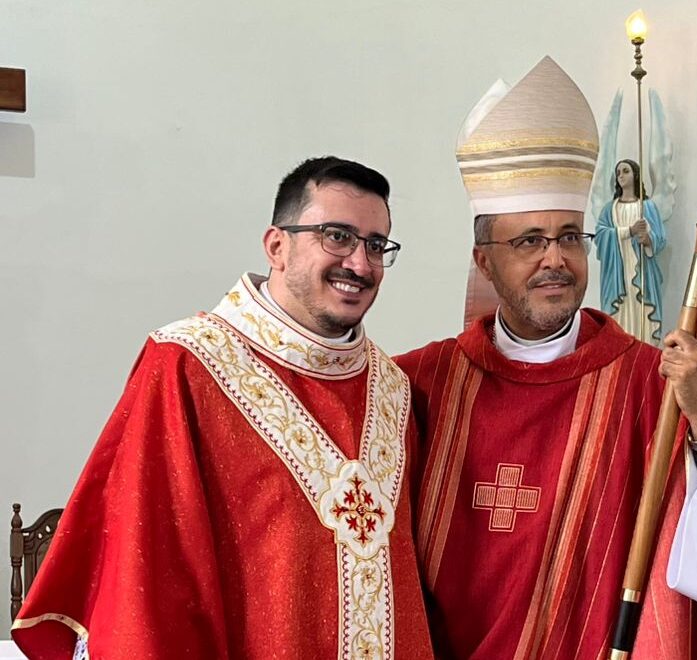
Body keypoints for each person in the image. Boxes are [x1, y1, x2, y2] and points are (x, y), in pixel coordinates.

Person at [395, 57, 697, 659]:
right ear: (484, 261)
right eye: (529, 241)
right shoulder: (418, 383)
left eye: (570, 236)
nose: (556, 258)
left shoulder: (646, 383)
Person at [12, 157, 433, 659]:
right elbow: (146, 570)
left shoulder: (392, 388)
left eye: (375, 244)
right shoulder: (187, 365)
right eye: (336, 236)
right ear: (277, 246)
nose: (360, 264)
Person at [594, 158, 667, 343]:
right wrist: (629, 231)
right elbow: (601, 236)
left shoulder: (647, 206)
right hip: (618, 272)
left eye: (625, 171)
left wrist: (648, 240)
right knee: (621, 314)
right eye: (618, 173)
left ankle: (644, 348)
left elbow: (660, 238)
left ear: (635, 174)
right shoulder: (610, 209)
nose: (621, 176)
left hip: (642, 271)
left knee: (641, 310)